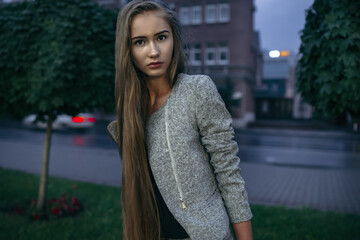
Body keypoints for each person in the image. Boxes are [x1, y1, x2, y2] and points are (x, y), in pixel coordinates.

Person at [107, 1, 253, 239]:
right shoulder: (130, 113)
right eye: (140, 42)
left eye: (161, 37)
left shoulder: (197, 91)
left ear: (173, 39)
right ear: (128, 50)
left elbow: (229, 175)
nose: (153, 51)